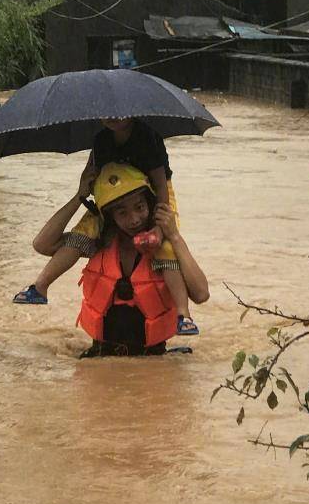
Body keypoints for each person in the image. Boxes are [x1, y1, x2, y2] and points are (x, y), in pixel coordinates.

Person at [14, 117, 200, 336]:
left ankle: (183, 315)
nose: (113, 119)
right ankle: (40, 286)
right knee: (81, 234)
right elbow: (43, 243)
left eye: (120, 113)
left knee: (165, 247)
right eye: (106, 115)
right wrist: (79, 195)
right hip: (112, 195)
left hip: (152, 195)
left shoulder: (147, 137)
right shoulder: (100, 140)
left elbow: (160, 185)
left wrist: (162, 230)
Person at [21, 163, 210, 357]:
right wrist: (79, 197)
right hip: (101, 356)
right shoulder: (99, 243)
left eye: (140, 207)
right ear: (110, 216)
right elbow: (42, 244)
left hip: (153, 360)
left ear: (150, 205)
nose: (134, 219)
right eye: (122, 213)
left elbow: (201, 294)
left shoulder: (163, 248)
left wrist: (175, 236)